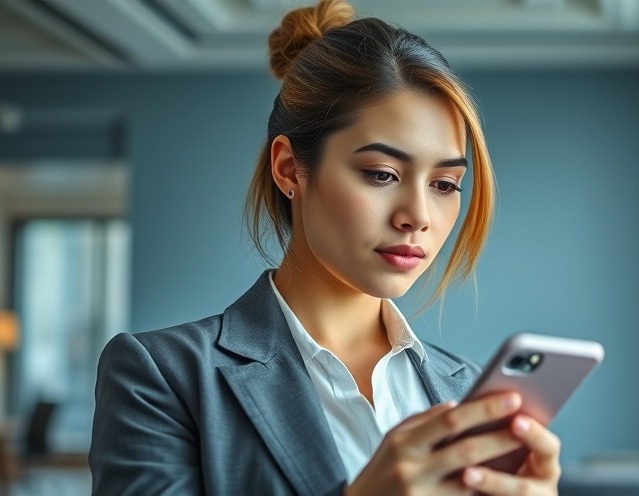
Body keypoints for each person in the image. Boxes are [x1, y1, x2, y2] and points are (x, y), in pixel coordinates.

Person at [89, 0, 562, 494]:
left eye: (445, 184)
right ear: (289, 169)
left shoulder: (466, 390)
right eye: (382, 174)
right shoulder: (162, 375)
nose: (418, 216)